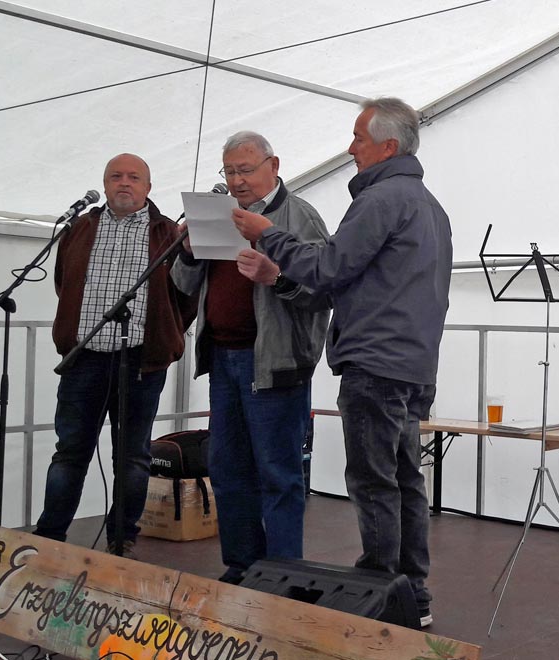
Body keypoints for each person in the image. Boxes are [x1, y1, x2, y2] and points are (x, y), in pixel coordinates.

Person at [232, 97, 451, 628]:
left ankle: (380, 590)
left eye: (358, 137)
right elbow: (357, 279)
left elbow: (329, 267)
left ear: (387, 146)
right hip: (413, 365)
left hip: (375, 363)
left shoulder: (380, 200)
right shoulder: (429, 206)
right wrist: (283, 278)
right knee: (404, 479)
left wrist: (268, 235)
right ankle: (413, 596)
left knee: (374, 481)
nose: (350, 148)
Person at [171, 131, 331, 584]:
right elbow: (183, 285)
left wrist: (276, 276)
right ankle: (242, 566)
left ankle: (281, 576)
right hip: (224, 360)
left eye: (245, 170)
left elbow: (324, 291)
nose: (237, 180)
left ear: (273, 166)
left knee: (278, 474)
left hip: (275, 365)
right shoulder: (217, 216)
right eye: (229, 171)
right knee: (227, 469)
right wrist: (188, 254)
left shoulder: (299, 216)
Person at [36, 153, 196, 558]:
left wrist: (166, 333)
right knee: (69, 453)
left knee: (133, 458)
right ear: (105, 184)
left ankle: (121, 541)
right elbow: (64, 282)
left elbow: (185, 295)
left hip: (141, 362)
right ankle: (48, 538)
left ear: (148, 187)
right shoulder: (80, 228)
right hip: (84, 358)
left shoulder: (168, 232)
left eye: (134, 177)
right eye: (116, 176)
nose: (124, 183)